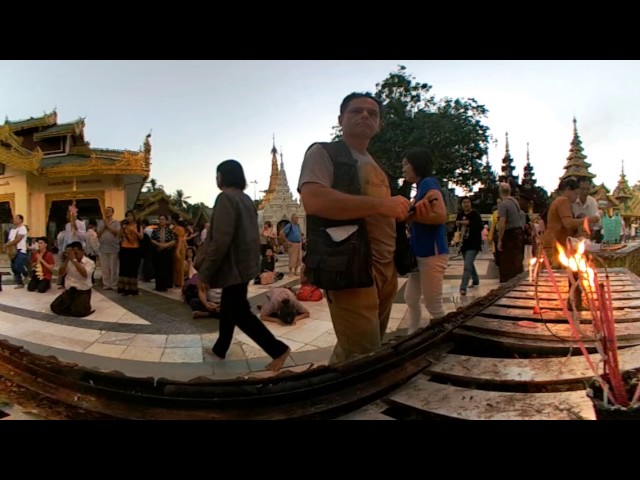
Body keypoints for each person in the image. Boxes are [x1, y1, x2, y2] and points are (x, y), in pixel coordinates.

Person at [297, 91, 411, 364]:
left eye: (372, 113)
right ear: (341, 119)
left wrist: (408, 213)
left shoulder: (378, 166)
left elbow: (380, 215)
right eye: (356, 111)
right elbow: (314, 201)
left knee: (361, 347)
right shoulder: (324, 153)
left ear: (379, 124)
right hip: (351, 264)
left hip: (385, 268)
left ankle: (332, 395)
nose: (364, 116)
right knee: (365, 352)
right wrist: (382, 205)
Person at [198, 159, 291, 371]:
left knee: (239, 312)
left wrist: (205, 272)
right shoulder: (246, 199)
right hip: (245, 265)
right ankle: (220, 349)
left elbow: (220, 240)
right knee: (231, 308)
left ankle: (278, 349)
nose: (216, 179)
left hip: (233, 267)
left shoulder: (226, 199)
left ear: (223, 176)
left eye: (217, 174)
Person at [400, 147, 449, 334]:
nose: (403, 168)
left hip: (432, 252)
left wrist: (410, 217)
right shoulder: (421, 187)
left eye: (406, 164)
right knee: (411, 297)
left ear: (416, 165)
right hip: (420, 252)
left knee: (433, 302)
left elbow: (440, 215)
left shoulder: (428, 184)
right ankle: (413, 332)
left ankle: (444, 336)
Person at [542, 177, 600, 311]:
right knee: (575, 271)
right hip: (556, 242)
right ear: (568, 190)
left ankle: (574, 301)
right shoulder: (563, 201)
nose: (577, 196)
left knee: (574, 272)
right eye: (576, 193)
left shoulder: (559, 201)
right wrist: (588, 220)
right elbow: (568, 223)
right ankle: (574, 303)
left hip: (558, 241)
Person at [50, 242, 95, 318]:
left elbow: (84, 274)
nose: (74, 255)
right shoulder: (69, 261)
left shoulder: (90, 262)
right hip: (70, 290)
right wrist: (67, 259)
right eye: (72, 253)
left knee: (78, 311)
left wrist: (74, 260)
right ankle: (71, 305)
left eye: (76, 252)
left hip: (82, 291)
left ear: (82, 251)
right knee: (55, 307)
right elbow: (61, 273)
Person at [497, 183, 525, 283]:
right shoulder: (515, 202)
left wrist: (500, 239)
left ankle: (507, 283)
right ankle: (518, 280)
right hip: (518, 232)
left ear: (500, 192)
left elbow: (502, 223)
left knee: (506, 262)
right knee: (517, 259)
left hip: (509, 234)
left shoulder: (503, 204)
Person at [455, 196, 483, 296]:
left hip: (473, 244)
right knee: (469, 263)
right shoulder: (460, 214)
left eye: (467, 202)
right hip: (463, 244)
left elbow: (479, 226)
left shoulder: (475, 214)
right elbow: (456, 227)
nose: (466, 204)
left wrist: (468, 223)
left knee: (467, 265)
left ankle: (463, 287)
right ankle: (475, 280)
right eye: (464, 203)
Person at [117, 210, 144, 296]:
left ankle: (133, 289)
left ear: (134, 217)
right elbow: (119, 235)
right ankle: (124, 289)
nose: (129, 217)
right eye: (127, 216)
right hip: (125, 249)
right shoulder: (124, 226)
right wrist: (122, 228)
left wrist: (134, 231)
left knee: (133, 269)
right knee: (124, 269)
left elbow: (141, 237)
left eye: (131, 216)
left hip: (135, 249)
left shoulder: (139, 226)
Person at [97, 206, 121, 291]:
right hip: (103, 248)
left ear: (112, 212)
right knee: (105, 268)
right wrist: (104, 226)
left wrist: (108, 225)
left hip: (113, 248)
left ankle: (114, 284)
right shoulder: (100, 223)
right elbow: (98, 234)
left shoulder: (116, 222)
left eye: (109, 211)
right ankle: (106, 284)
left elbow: (117, 233)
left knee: (113, 267)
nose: (107, 212)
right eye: (105, 211)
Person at [572, 177, 602, 244]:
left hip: (589, 237)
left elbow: (597, 224)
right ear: (577, 189)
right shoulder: (572, 202)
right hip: (572, 236)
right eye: (582, 189)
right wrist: (589, 219)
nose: (585, 192)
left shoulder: (592, 202)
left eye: (587, 189)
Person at [150, 214, 176, 292]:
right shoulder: (155, 230)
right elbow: (152, 239)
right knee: (158, 268)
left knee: (166, 269)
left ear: (166, 221)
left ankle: (166, 285)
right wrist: (159, 244)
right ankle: (159, 286)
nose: (161, 221)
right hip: (158, 251)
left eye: (163, 219)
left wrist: (165, 245)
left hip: (167, 251)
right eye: (160, 219)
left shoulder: (170, 230)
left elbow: (174, 240)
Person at [4, 214, 29, 288]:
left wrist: (8, 245)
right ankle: (20, 283)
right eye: (14, 218)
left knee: (18, 265)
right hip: (13, 252)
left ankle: (26, 273)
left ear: (21, 220)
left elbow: (18, 239)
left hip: (20, 250)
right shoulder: (12, 230)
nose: (14, 219)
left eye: (16, 218)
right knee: (14, 268)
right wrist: (7, 246)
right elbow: (9, 240)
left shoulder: (23, 228)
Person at [85, 218, 100, 284]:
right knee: (92, 266)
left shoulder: (87, 232)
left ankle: (90, 279)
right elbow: (93, 244)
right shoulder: (92, 233)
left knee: (90, 266)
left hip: (88, 251)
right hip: (92, 252)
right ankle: (91, 279)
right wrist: (97, 252)